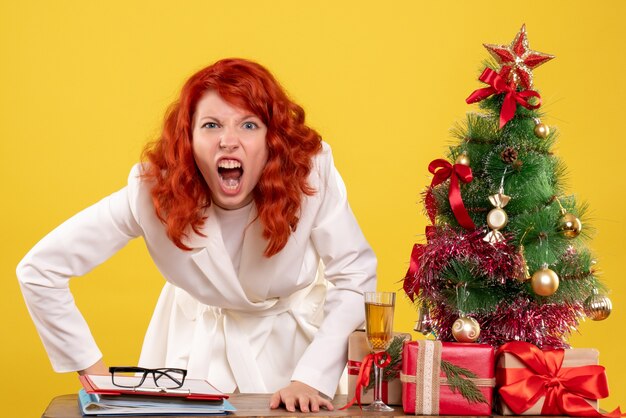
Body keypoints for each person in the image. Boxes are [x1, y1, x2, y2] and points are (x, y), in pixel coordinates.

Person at [17, 58, 377, 412]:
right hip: (192, 354)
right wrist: (92, 372)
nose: (229, 142)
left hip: (296, 355)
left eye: (249, 125)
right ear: (188, 139)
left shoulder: (310, 173)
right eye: (211, 125)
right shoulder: (150, 191)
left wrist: (312, 377)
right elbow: (40, 269)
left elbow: (356, 276)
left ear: (273, 140)